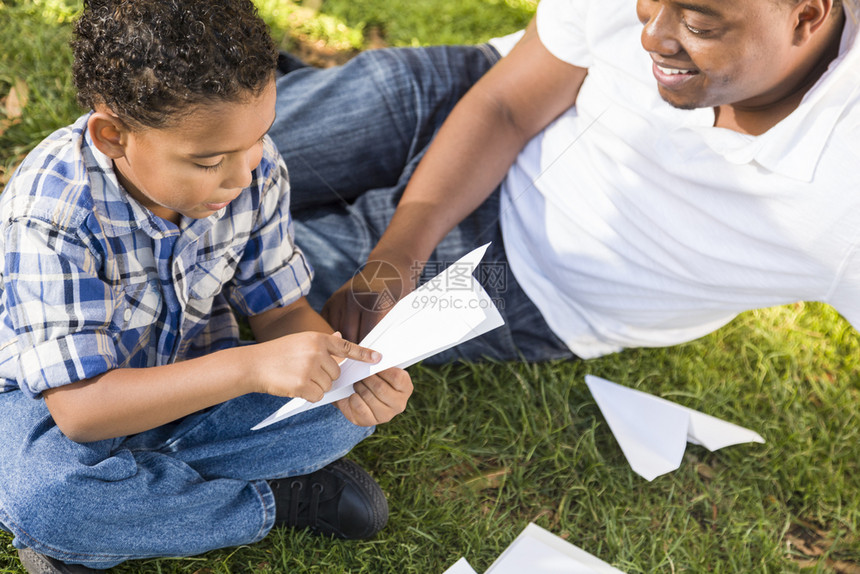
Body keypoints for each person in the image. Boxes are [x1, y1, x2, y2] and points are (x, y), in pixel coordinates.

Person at [0, 1, 412, 572]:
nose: (242, 174)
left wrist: (349, 372)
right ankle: (265, 500)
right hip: (55, 405)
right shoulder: (54, 211)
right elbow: (81, 412)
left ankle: (120, 516)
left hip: (193, 379)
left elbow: (280, 310)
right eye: (209, 160)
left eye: (256, 141)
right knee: (45, 496)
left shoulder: (255, 170)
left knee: (338, 414)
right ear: (114, 136)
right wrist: (250, 369)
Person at [269, 0, 859, 365]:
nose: (652, 36)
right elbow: (506, 108)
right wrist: (396, 257)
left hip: (523, 272)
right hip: (482, 100)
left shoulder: (846, 194)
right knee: (220, 142)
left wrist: (393, 269)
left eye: (699, 22)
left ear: (807, 15)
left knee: (241, 269)